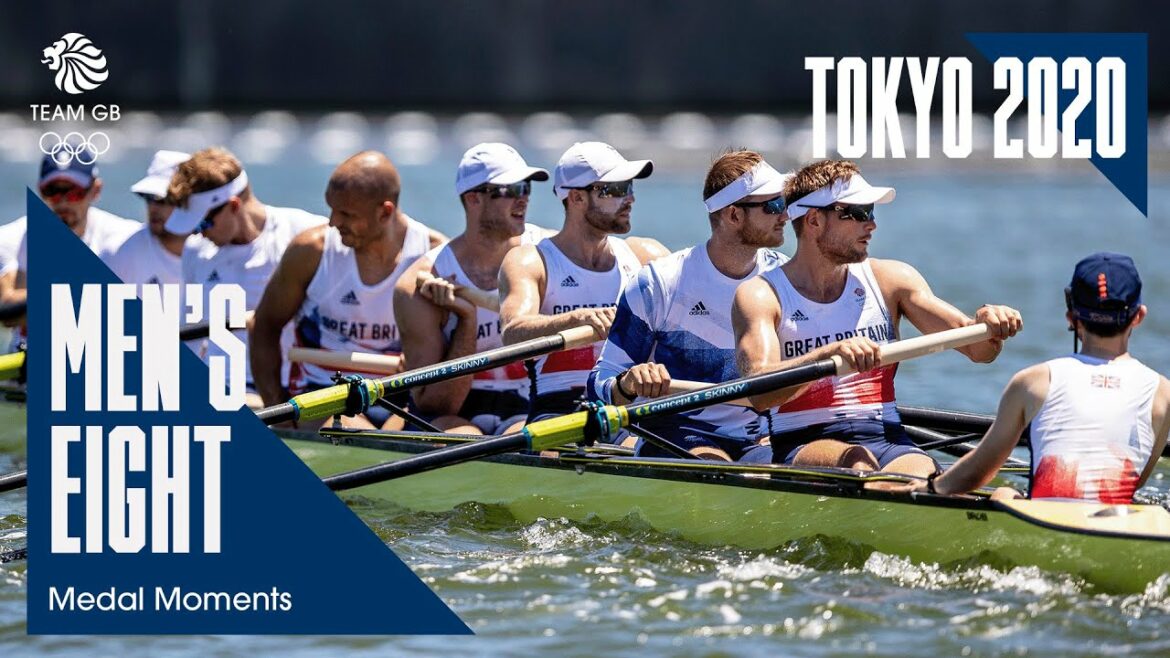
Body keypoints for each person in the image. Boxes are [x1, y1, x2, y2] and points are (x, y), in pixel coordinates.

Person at [732, 159, 1022, 478]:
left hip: (887, 439)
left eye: (871, 212)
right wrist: (828, 355)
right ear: (814, 220)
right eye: (858, 213)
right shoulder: (762, 295)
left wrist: (988, 324)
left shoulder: (891, 280)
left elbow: (979, 352)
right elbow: (758, 392)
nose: (871, 225)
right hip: (804, 441)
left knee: (923, 473)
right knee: (858, 462)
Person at [902, 253, 1170, 502]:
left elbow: (978, 471)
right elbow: (1137, 479)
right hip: (1116, 526)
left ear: (1071, 317)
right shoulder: (1163, 392)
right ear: (1139, 317)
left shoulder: (1034, 381)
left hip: (1046, 523)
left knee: (1004, 494)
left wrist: (932, 487)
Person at [587, 150, 789, 460]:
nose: (785, 216)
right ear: (734, 215)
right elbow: (599, 387)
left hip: (760, 438)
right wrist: (630, 383)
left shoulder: (785, 279)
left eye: (785, 203)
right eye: (773, 206)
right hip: (676, 435)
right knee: (714, 465)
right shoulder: (659, 283)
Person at [251, 150, 446, 428]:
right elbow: (265, 327)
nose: (333, 222)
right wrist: (277, 410)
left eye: (346, 214)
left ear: (385, 212)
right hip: (323, 394)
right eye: (331, 209)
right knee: (359, 435)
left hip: (400, 398)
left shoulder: (436, 256)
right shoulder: (311, 252)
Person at [498, 141, 669, 422]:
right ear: (576, 198)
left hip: (631, 405)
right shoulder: (531, 261)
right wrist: (578, 318)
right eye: (615, 189)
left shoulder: (644, 256)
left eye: (629, 187)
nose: (629, 199)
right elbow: (513, 333)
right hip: (559, 410)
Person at [395, 143, 551, 434]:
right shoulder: (419, 284)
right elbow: (436, 405)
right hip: (456, 411)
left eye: (526, 187)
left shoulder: (546, 254)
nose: (524, 199)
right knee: (462, 441)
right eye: (511, 190)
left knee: (537, 443)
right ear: (473, 199)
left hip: (526, 402)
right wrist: (467, 321)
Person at [166, 147, 328, 403]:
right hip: (220, 386)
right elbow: (191, 336)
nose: (197, 234)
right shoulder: (196, 251)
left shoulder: (305, 236)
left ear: (233, 205)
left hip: (286, 390)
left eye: (202, 224)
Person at [2, 151, 139, 309]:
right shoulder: (11, 238)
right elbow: (7, 307)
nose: (64, 202)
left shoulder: (126, 236)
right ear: (40, 191)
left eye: (75, 193)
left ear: (95, 190)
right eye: (52, 192)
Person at [106, 150, 192, 287]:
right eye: (148, 197)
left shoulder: (216, 252)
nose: (153, 207)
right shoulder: (119, 253)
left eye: (164, 199)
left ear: (191, 202)